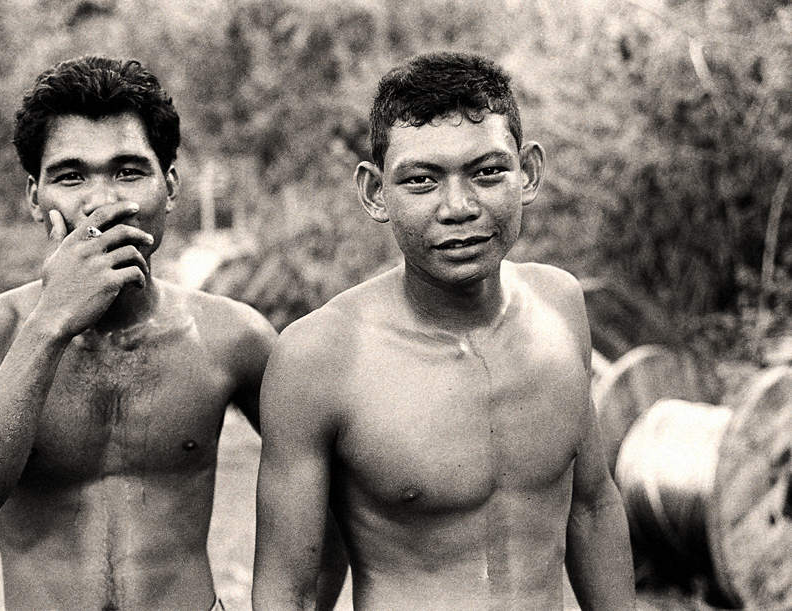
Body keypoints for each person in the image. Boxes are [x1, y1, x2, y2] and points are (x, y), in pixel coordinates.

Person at [0, 56, 345, 611]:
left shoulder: (232, 338)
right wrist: (51, 324)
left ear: (171, 187)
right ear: (34, 198)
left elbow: (329, 497)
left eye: (128, 171)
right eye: (70, 177)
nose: (102, 201)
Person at [252, 51, 636, 611]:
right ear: (375, 192)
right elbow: (289, 590)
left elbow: (593, 506)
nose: (458, 207)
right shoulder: (319, 356)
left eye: (486, 173)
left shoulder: (561, 306)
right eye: (422, 180)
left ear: (527, 172)